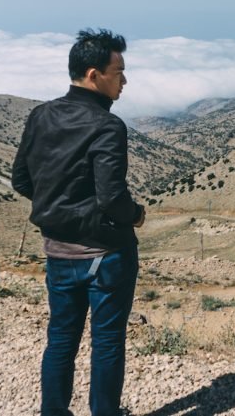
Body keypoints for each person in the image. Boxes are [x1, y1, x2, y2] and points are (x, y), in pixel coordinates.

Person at [12, 28, 146, 416]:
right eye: (118, 72)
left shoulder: (41, 115)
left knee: (60, 341)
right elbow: (112, 198)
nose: (124, 80)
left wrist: (57, 207)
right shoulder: (108, 126)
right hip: (106, 255)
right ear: (93, 75)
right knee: (106, 343)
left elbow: (22, 180)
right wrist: (136, 215)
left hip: (57, 251)